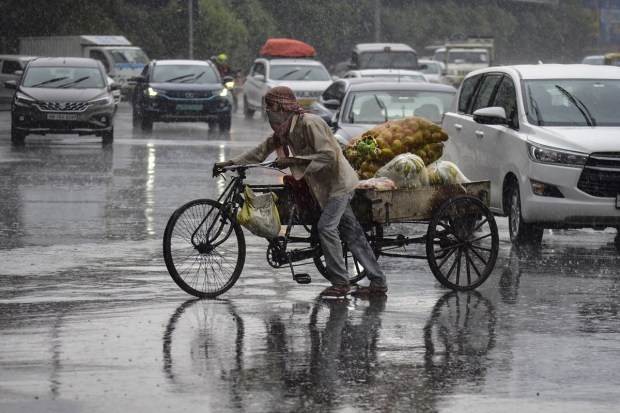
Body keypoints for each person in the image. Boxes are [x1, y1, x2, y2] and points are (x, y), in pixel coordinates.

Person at [212, 86, 388, 298]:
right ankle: (378, 282)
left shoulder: (310, 124)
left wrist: (292, 160)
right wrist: (229, 163)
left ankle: (341, 282)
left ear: (281, 106)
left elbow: (328, 156)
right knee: (353, 234)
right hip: (324, 188)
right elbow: (259, 153)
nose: (268, 110)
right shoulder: (283, 132)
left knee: (326, 227)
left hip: (339, 184)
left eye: (271, 106)